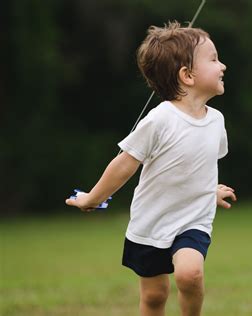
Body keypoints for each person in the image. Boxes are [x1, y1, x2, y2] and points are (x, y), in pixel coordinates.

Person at [65, 21, 236, 316]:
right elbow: (124, 165)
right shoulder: (160, 120)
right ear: (187, 75)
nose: (223, 66)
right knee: (155, 296)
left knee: (189, 273)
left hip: (192, 220)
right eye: (213, 59)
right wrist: (93, 198)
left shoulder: (217, 121)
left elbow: (200, 168)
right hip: (151, 222)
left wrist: (212, 191)